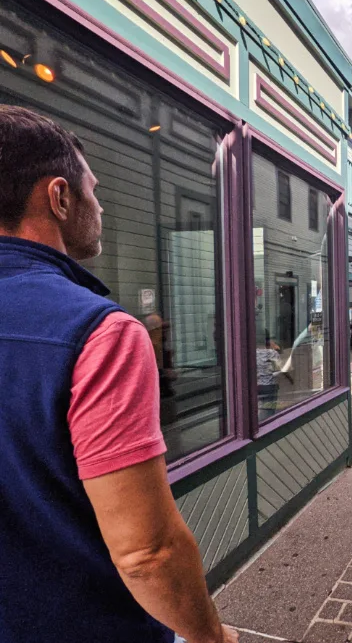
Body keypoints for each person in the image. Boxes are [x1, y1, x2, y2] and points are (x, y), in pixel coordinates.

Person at [0, 105, 238, 642]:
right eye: (94, 191)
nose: (101, 207)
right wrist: (211, 637)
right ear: (59, 198)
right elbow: (147, 552)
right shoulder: (99, 332)